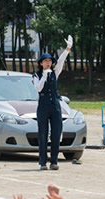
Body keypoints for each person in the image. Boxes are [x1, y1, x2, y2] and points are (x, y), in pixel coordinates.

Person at [33, 35, 73, 170]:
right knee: (43, 134)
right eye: (45, 61)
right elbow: (38, 88)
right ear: (41, 63)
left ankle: (54, 161)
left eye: (49, 61)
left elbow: (61, 61)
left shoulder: (55, 72)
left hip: (55, 105)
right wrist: (45, 75)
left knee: (56, 133)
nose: (48, 63)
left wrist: (67, 49)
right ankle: (42, 162)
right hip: (43, 105)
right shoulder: (36, 75)